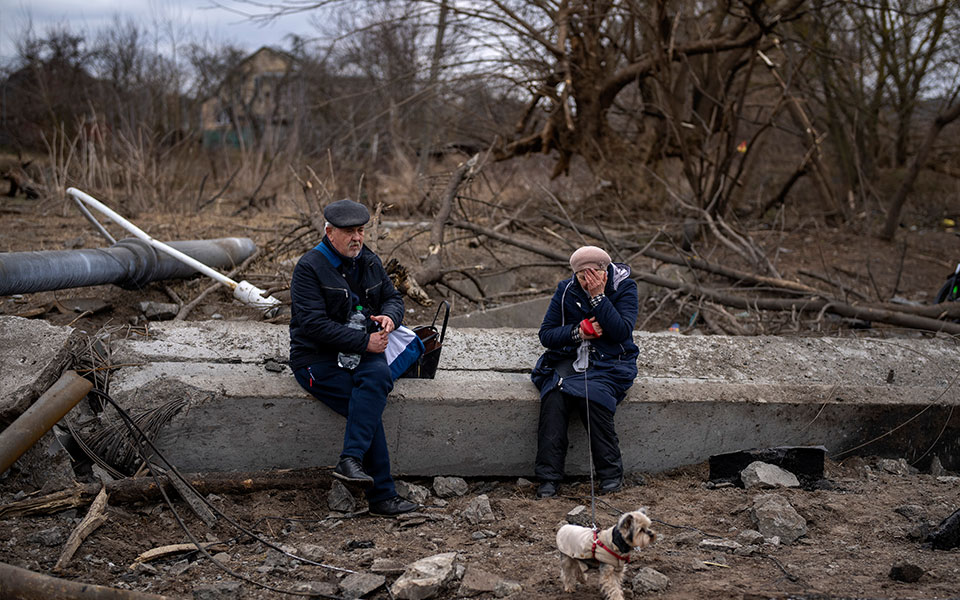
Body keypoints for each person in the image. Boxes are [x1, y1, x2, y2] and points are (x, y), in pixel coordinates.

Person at [289, 198, 418, 516]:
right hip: (317, 359)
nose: (357, 238)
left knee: (377, 378)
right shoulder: (309, 267)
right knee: (367, 409)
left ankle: (351, 462)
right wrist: (365, 342)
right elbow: (313, 325)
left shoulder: (369, 260)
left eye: (361, 230)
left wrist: (390, 317)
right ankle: (382, 496)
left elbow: (392, 297)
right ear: (329, 232)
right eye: (349, 232)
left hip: (363, 349)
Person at [530, 245, 639, 499]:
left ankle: (610, 474)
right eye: (581, 277)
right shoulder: (565, 290)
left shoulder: (625, 288)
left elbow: (622, 331)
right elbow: (546, 334)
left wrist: (599, 298)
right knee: (554, 398)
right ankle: (548, 478)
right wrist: (577, 332)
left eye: (593, 276)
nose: (587, 282)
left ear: (605, 272)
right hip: (568, 359)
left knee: (595, 398)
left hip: (611, 363)